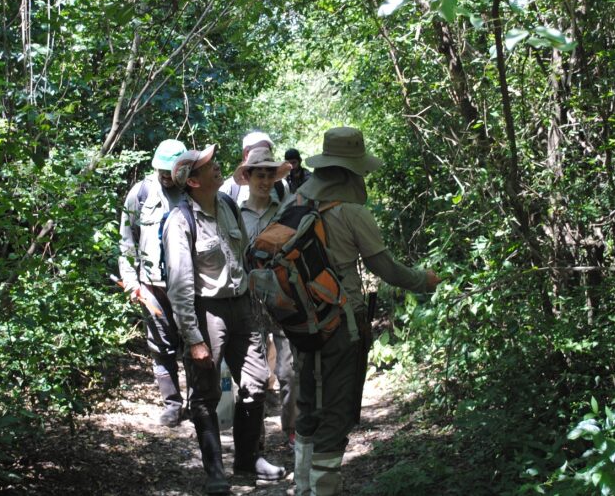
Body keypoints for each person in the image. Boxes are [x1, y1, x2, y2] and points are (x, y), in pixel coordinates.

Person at [291, 127, 441, 496]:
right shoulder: (351, 212)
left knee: (310, 404)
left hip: (301, 320)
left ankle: (303, 486)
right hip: (341, 322)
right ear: (349, 171)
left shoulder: (295, 202)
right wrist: (425, 280)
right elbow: (385, 269)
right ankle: (323, 489)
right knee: (337, 410)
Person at [163, 144, 287, 494]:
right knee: (205, 394)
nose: (217, 168)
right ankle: (215, 471)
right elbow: (180, 284)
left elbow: (244, 257)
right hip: (207, 312)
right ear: (193, 181)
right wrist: (193, 337)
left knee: (257, 382)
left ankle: (248, 460)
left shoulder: (229, 206)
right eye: (208, 166)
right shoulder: (180, 221)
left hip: (241, 307)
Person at [118, 138, 188, 427]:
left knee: (198, 345)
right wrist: (131, 280)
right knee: (160, 346)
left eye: (170, 170)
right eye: (161, 169)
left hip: (190, 286)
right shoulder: (141, 193)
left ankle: (200, 404)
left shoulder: (196, 192)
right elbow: (126, 241)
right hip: (152, 285)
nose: (164, 175)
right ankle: (172, 404)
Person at [232, 147, 299, 446]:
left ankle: (292, 431)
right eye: (259, 174)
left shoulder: (286, 210)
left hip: (283, 298)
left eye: (270, 175)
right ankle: (253, 441)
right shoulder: (234, 213)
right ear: (247, 177)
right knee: (252, 376)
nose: (265, 181)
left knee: (289, 371)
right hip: (248, 301)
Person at [220, 131, 286, 204]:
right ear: (246, 153)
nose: (264, 154)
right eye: (259, 150)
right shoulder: (230, 189)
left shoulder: (282, 186)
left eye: (267, 150)